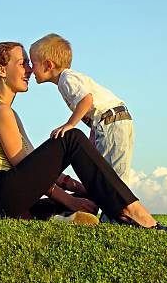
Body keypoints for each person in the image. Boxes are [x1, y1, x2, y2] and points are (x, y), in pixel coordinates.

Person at [0, 41, 167, 230]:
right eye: (23, 64)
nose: (29, 70)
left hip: (3, 203)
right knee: (71, 137)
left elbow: (34, 164)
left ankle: (60, 218)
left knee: (85, 203)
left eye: (30, 64)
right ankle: (132, 210)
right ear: (1, 70)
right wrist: (69, 198)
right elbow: (21, 163)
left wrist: (78, 188)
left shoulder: (8, 112)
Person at [29, 33, 133, 185]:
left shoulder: (66, 79)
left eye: (33, 64)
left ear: (48, 65)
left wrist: (70, 125)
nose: (31, 70)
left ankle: (121, 207)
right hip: (109, 121)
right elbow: (90, 108)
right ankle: (112, 205)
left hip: (111, 121)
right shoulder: (66, 81)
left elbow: (86, 100)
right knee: (107, 171)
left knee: (112, 174)